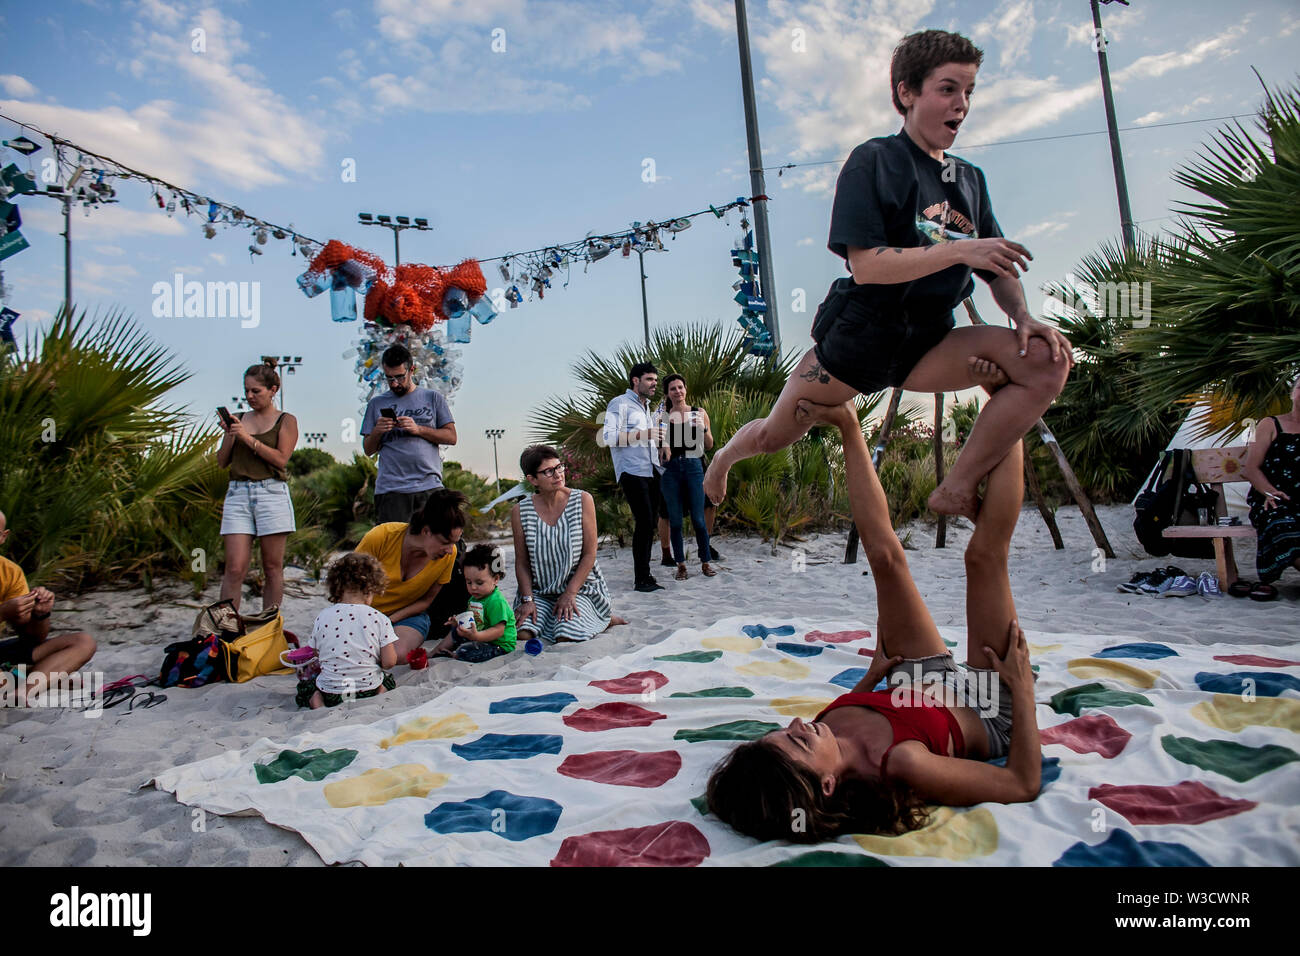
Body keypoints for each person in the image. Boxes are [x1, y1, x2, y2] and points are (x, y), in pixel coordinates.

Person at [703, 29, 1072, 522]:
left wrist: (1022, 316)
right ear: (906, 92)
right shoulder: (875, 160)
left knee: (1046, 359)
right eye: (947, 89)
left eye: (968, 92)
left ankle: (955, 489)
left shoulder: (969, 179)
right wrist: (960, 248)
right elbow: (868, 265)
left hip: (930, 343)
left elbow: (997, 265)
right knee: (774, 435)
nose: (961, 104)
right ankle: (724, 458)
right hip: (859, 341)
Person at [706, 374, 1042, 841]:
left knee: (884, 558)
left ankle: (847, 424)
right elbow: (1021, 783)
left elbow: (849, 708)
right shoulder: (902, 764)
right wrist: (1022, 693)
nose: (801, 724)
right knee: (983, 557)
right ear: (826, 785)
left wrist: (872, 675)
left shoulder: (824, 729)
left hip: (913, 682)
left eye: (785, 730)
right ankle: (1011, 401)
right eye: (797, 741)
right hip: (987, 707)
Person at [511, 445, 619, 644]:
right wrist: (527, 600)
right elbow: (522, 563)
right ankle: (555, 617)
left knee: (566, 635)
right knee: (523, 633)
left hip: (580, 588)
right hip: (540, 592)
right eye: (548, 471)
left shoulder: (582, 500)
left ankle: (601, 617)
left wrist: (570, 593)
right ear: (532, 480)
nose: (558, 474)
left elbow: (589, 554)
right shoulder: (520, 511)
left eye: (559, 467)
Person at [216, 360, 299, 612]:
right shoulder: (239, 419)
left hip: (271, 493)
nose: (249, 396)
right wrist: (232, 434)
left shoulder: (286, 420)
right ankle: (225, 626)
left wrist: (246, 438)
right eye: (247, 390)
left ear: (273, 390)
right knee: (234, 567)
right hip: (238, 493)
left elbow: (280, 459)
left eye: (256, 391)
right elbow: (222, 462)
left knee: (272, 567)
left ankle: (269, 625)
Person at [355, 488, 466, 662]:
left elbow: (426, 601)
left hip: (406, 617)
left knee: (395, 655)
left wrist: (388, 621)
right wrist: (370, 622)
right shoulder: (382, 537)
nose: (450, 550)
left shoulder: (447, 556)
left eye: (454, 543)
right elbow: (350, 585)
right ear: (426, 531)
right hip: (362, 615)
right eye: (445, 542)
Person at [0, 510, 97, 705]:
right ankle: (37, 677)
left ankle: (22, 691)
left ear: (3, 537)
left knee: (83, 642)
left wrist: (40, 614)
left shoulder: (10, 572)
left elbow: (33, 638)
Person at [361, 344, 458, 524]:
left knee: (436, 545)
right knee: (395, 549)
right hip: (391, 490)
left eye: (399, 377)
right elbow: (368, 449)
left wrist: (418, 429)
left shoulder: (433, 398)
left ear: (412, 370)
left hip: (430, 487)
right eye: (389, 378)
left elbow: (451, 437)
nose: (395, 383)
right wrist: (377, 432)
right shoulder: (376, 404)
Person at [296, 552, 398, 709]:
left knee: (306, 687)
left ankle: (317, 701)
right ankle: (381, 692)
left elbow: (316, 652)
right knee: (388, 679)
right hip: (366, 691)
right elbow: (389, 662)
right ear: (370, 589)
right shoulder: (379, 618)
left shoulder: (323, 616)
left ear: (336, 587)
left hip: (332, 694)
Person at [603, 362, 668, 591]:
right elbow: (609, 437)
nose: (654, 384)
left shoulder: (646, 407)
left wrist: (660, 446)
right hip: (631, 470)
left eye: (655, 380)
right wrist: (646, 433)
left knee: (650, 523)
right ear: (635, 381)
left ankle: (645, 576)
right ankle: (642, 579)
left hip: (651, 469)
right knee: (644, 522)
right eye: (649, 379)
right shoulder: (619, 403)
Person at [1241, 373, 1300, 599]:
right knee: (1282, 523)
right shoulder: (1269, 424)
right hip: (1272, 497)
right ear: (1292, 393)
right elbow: (1251, 468)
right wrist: (1268, 491)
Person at [658, 374, 717, 580]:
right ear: (667, 393)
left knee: (699, 520)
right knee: (675, 521)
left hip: (694, 467)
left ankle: (705, 562)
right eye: (673, 388)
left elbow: (709, 445)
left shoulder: (698, 412)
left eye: (680, 387)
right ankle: (681, 565)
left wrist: (704, 428)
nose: (677, 391)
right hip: (671, 470)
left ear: (686, 389)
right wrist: (663, 446)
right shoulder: (663, 417)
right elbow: (659, 449)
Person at [433, 544, 517, 662]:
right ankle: (437, 651)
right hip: (480, 636)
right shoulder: (474, 598)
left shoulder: (496, 601)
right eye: (468, 582)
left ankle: (456, 656)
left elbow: (499, 630)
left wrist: (477, 636)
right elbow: (475, 620)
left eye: (479, 582)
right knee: (456, 632)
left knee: (465, 651)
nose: (473, 587)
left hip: (498, 644)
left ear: (495, 579)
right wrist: (457, 623)